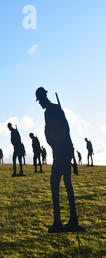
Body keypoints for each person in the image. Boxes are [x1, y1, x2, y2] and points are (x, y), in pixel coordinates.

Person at [36, 87, 84, 233]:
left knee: (55, 184)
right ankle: (73, 220)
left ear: (43, 98)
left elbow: (54, 131)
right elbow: (66, 130)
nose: (39, 104)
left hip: (60, 151)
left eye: (39, 100)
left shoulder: (49, 111)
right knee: (68, 185)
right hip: (66, 150)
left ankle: (58, 222)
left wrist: (55, 145)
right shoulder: (57, 109)